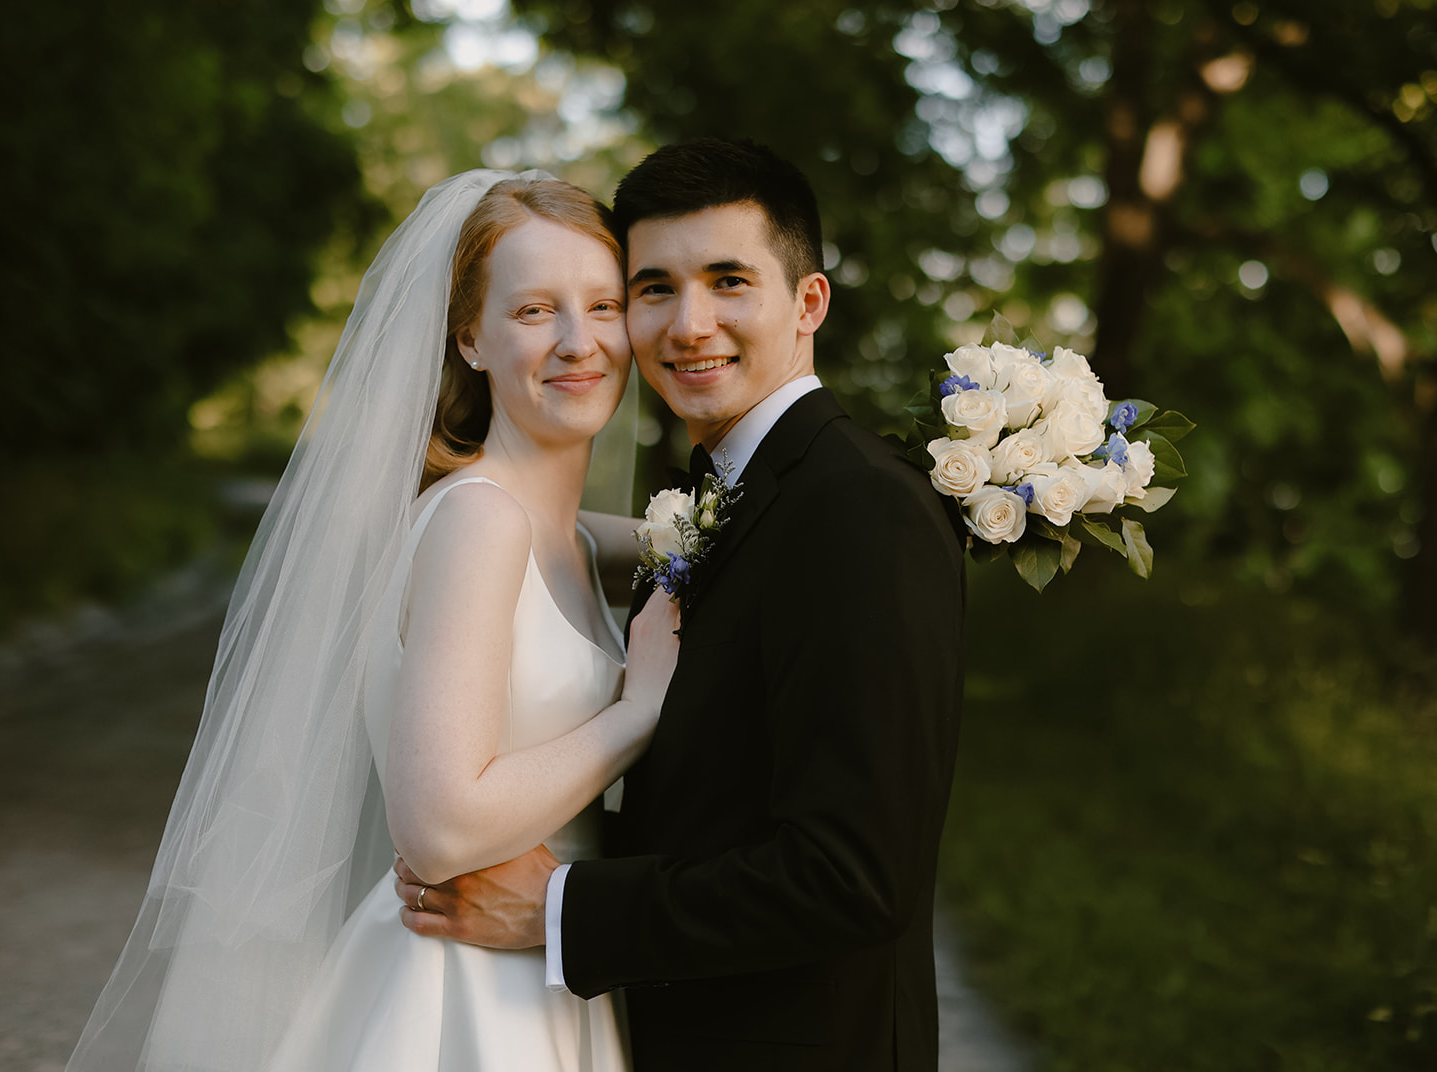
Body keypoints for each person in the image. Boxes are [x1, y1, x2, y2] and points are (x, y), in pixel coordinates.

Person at [66, 170, 679, 1072]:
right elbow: (435, 828)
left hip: (543, 969)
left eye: (600, 304)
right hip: (460, 998)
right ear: (469, 337)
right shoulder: (481, 523)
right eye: (533, 312)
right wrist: (637, 711)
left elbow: (713, 541)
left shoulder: (574, 540)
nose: (577, 342)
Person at [395, 139, 967, 1070]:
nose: (689, 324)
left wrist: (562, 908)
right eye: (654, 288)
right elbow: (713, 808)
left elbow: (853, 875)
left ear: (808, 303)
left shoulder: (858, 506)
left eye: (730, 280)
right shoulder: (722, 502)